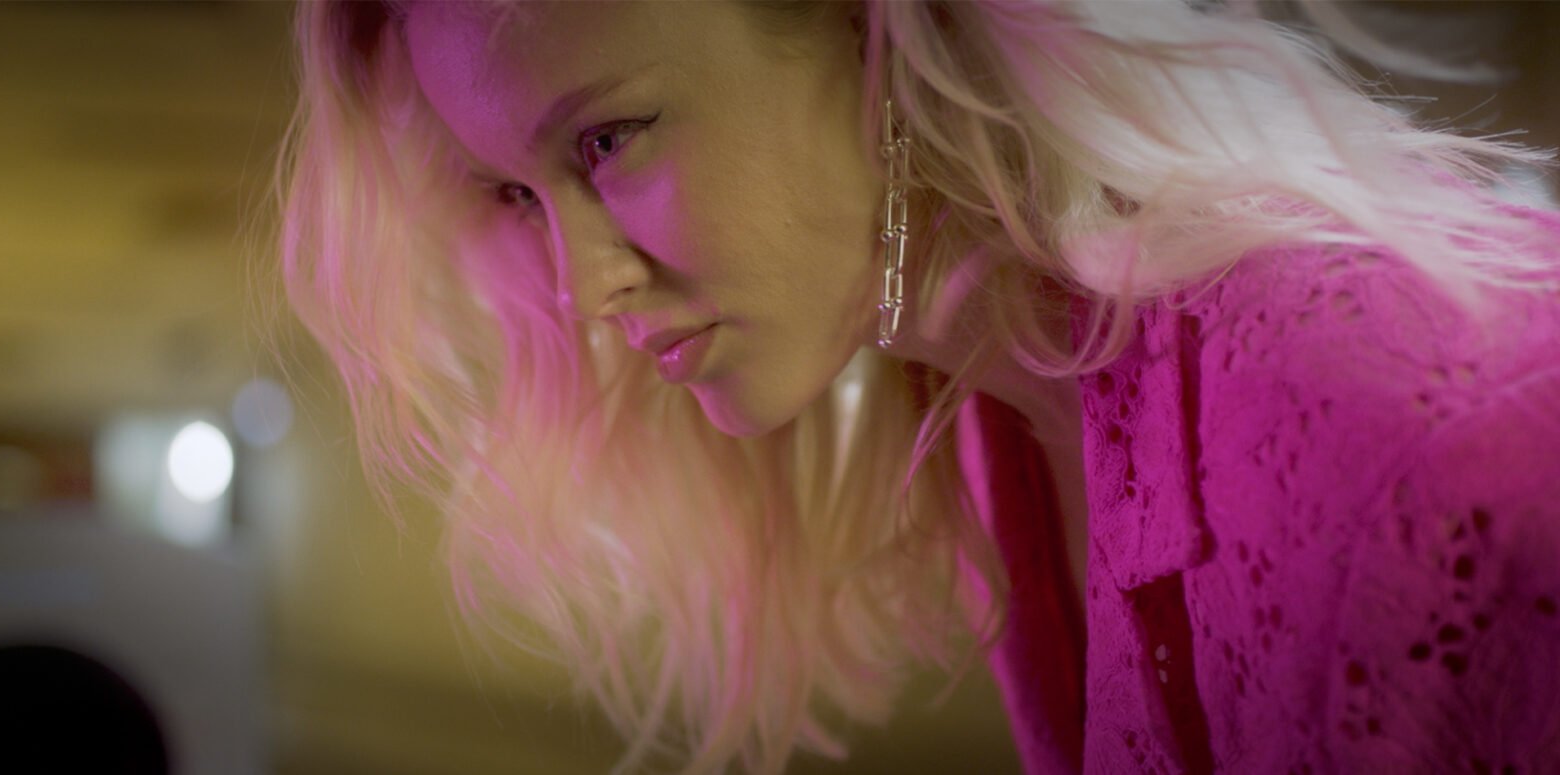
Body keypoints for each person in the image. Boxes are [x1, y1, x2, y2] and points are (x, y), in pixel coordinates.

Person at [274, 1, 1560, 773]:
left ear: (861, 23)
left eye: (608, 140)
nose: (582, 287)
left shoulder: (1402, 425)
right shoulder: (1016, 409)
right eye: (516, 192)